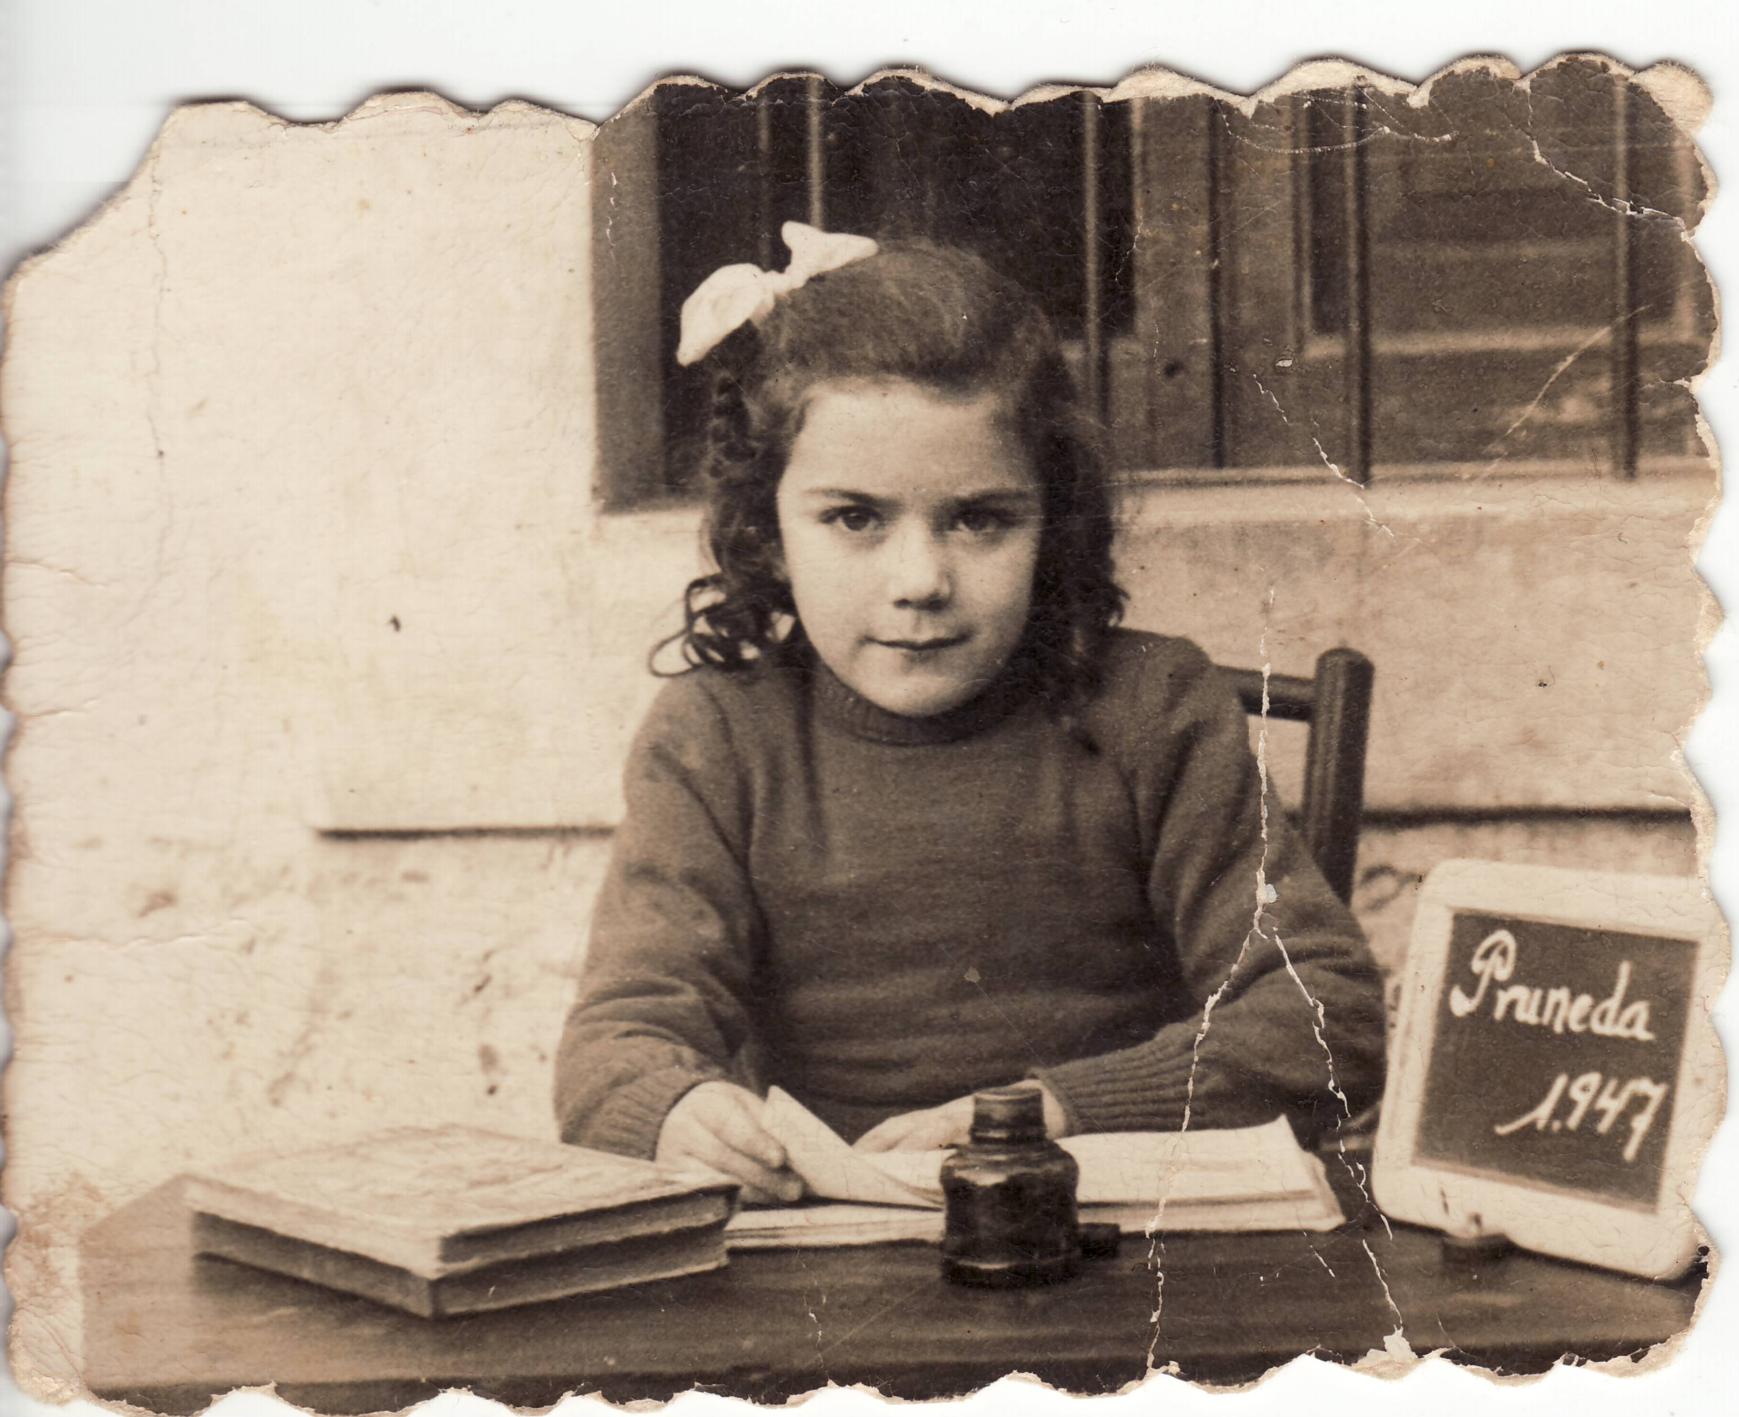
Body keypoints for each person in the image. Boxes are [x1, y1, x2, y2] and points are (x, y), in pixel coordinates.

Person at [553, 224, 1385, 1203]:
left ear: (1053, 521)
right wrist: (673, 1108)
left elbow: (1322, 1015)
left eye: (979, 519)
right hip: (829, 1246)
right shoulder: (718, 737)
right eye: (854, 518)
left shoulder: (1152, 709)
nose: (921, 581)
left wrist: (1056, 1110)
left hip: (1104, 1236)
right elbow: (616, 1044)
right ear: (765, 531)